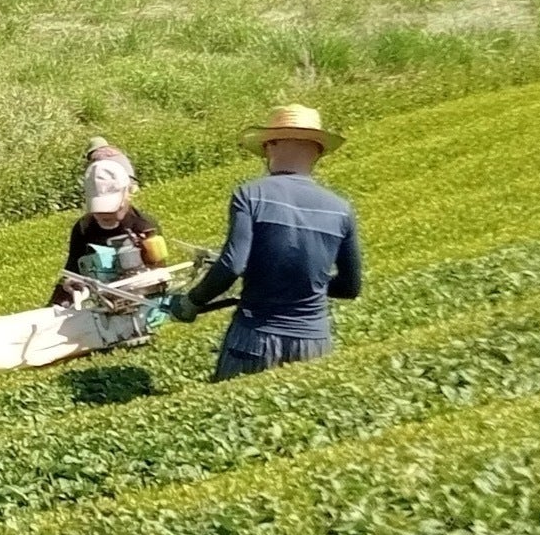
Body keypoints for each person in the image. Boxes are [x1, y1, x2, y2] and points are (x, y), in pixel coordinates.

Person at [166, 104, 361, 377]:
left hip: (255, 338)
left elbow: (232, 265)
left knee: (234, 416)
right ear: (316, 151)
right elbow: (350, 287)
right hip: (315, 344)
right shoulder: (340, 208)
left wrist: (190, 303)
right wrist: (306, 281)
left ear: (271, 145)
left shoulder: (251, 195)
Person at [52, 137, 168, 305]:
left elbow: (159, 276)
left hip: (139, 300)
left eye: (113, 209)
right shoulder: (84, 228)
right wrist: (57, 304)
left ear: (128, 195)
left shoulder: (144, 226)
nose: (105, 216)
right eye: (98, 211)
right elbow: (72, 270)